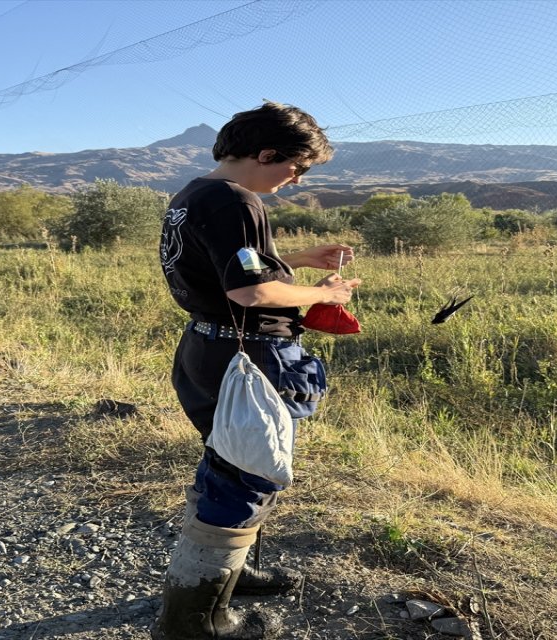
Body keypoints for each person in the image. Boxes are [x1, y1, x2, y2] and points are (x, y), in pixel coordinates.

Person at [153, 102, 361, 639]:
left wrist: (298, 259)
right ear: (266, 153)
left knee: (228, 461)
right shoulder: (237, 200)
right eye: (296, 167)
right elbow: (249, 290)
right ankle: (194, 621)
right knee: (246, 475)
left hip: (206, 347)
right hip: (247, 355)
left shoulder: (194, 194)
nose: (297, 178)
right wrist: (324, 293)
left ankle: (230, 577)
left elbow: (231, 265)